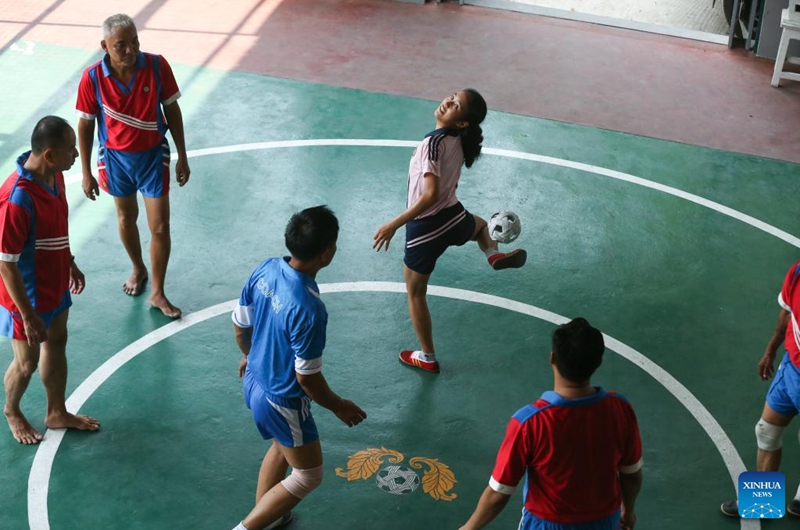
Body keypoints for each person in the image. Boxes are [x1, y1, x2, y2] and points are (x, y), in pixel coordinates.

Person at [230, 205, 367, 530]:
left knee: (282, 446)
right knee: (308, 475)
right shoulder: (309, 308)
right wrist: (339, 406)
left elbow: (239, 325)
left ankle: (270, 515)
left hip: (253, 380)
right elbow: (307, 378)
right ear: (328, 252)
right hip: (282, 400)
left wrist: (250, 355)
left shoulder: (266, 269)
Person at [373, 89, 526, 373]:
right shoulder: (457, 140)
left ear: (463, 122)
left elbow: (429, 195)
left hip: (425, 227)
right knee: (480, 226)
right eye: (452, 96)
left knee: (415, 293)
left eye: (456, 104)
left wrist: (395, 224)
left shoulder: (432, 144)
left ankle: (427, 357)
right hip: (454, 216)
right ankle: (492, 253)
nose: (448, 101)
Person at [460, 318, 643, 530]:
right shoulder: (619, 408)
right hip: (605, 521)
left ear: (552, 358)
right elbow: (632, 474)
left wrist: (468, 528)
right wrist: (627, 511)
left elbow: (498, 493)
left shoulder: (530, 422)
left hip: (548, 524)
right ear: (599, 361)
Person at [75, 13, 190, 319]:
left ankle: (158, 292)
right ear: (104, 45)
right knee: (126, 219)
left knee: (160, 226)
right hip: (115, 160)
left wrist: (183, 155)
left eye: (135, 42)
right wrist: (86, 172)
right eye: (121, 45)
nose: (130, 50)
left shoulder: (156, 66)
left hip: (153, 157)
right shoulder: (92, 78)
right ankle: (139, 268)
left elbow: (173, 111)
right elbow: (85, 126)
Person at [1, 116, 100, 445]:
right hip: (25, 295)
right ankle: (12, 411)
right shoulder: (17, 200)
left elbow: (56, 225)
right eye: (71, 149)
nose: (77, 154)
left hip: (55, 279)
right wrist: (28, 316)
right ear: (49, 155)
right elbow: (6, 265)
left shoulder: (54, 177)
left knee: (57, 340)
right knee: (26, 362)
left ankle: (56, 411)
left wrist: (69, 261)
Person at [721, 261, 800, 518]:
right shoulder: (798, 271)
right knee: (766, 431)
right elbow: (787, 312)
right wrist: (771, 350)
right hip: (792, 365)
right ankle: (762, 503)